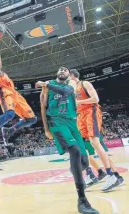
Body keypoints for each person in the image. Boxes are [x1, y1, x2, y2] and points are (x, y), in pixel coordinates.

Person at [37, 67, 99, 214]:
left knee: (84, 162)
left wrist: (45, 84)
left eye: (65, 70)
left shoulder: (71, 84)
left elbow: (66, 92)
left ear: (68, 74)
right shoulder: (49, 85)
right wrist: (46, 128)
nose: (63, 70)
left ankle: (74, 169)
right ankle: (82, 201)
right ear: (56, 74)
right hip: (57, 122)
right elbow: (42, 106)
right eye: (60, 69)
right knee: (75, 151)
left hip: (72, 123)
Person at [69, 69, 121, 191]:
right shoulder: (71, 90)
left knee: (95, 143)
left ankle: (111, 175)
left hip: (90, 111)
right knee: (80, 147)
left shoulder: (84, 83)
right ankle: (91, 174)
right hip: (80, 116)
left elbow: (95, 99)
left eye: (67, 76)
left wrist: (79, 101)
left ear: (72, 76)